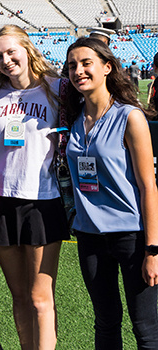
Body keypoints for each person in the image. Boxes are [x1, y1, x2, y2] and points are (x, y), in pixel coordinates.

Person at [0, 24, 70, 350]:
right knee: (19, 298)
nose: (5, 60)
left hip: (43, 200)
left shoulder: (59, 89)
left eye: (11, 51)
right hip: (1, 199)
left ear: (27, 49)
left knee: (40, 298)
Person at [62, 37, 158, 349]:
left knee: (146, 329)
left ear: (107, 67)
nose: (78, 70)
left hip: (131, 236)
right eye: (72, 65)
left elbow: (148, 187)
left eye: (86, 63)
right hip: (88, 236)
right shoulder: (73, 121)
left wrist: (153, 250)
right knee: (105, 322)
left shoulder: (129, 116)